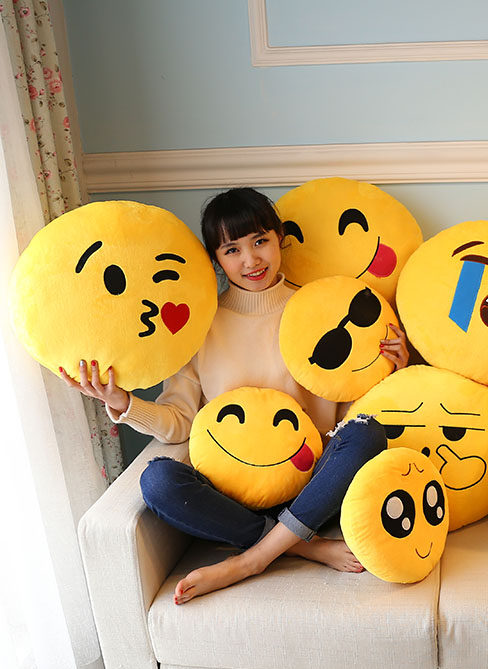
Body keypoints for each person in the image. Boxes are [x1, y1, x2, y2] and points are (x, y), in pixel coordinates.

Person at [61, 187, 409, 603]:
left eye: (260, 241)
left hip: (313, 486)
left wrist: (395, 369)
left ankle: (251, 559)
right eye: (232, 250)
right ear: (216, 259)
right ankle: (300, 545)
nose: (251, 260)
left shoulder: (321, 309)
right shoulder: (200, 326)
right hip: (234, 496)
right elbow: (181, 423)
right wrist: (122, 403)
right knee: (157, 480)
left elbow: (353, 409)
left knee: (368, 432)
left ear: (280, 239)